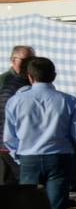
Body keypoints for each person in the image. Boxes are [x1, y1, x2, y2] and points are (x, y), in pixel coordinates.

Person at [2, 56, 76, 209]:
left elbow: (9, 137)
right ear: (54, 76)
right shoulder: (68, 100)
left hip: (29, 157)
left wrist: (18, 156)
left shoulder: (15, 101)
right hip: (59, 156)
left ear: (29, 77)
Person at [0, 45, 36, 184]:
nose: (29, 63)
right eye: (26, 59)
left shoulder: (33, 79)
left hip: (28, 145)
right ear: (13, 60)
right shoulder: (4, 81)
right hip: (5, 145)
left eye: (32, 59)